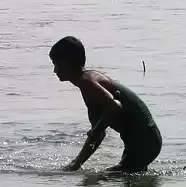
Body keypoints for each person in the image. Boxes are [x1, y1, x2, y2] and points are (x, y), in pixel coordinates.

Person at [50, 36, 162, 173]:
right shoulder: (88, 82)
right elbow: (98, 136)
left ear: (66, 62)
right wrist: (76, 163)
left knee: (102, 179)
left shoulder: (87, 82)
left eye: (56, 64)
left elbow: (115, 106)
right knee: (129, 184)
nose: (55, 70)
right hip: (141, 140)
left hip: (144, 140)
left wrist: (96, 131)